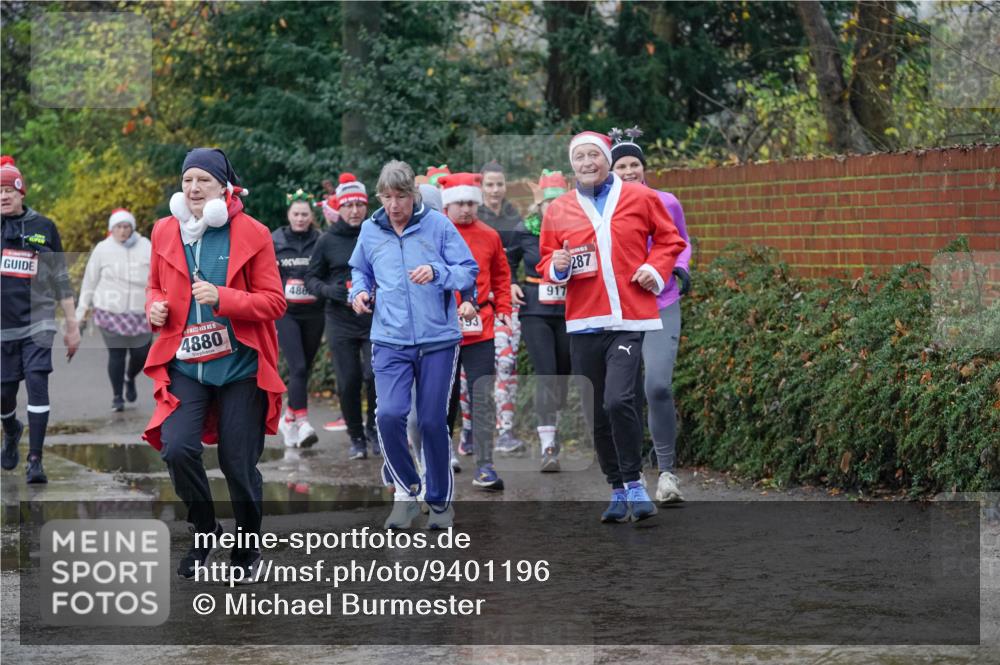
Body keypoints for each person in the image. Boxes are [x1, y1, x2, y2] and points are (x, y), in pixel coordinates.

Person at [142, 148, 286, 581]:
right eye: (188, 180)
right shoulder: (165, 230)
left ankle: (245, 547)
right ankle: (205, 530)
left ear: (224, 187)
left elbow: (274, 302)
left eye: (203, 180)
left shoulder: (253, 232)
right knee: (177, 448)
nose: (193, 188)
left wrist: (224, 298)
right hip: (186, 365)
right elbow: (153, 287)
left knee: (237, 464)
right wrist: (154, 308)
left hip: (241, 368)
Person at [537, 132, 686, 523]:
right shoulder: (559, 209)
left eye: (594, 156)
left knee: (619, 399)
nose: (587, 163)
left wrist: (655, 269)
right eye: (580, 157)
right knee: (596, 411)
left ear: (607, 159)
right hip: (584, 320)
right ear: (573, 164)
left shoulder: (641, 198)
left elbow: (670, 240)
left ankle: (635, 482)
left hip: (629, 317)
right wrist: (560, 266)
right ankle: (617, 488)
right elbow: (546, 261)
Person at [349, 160, 477, 530]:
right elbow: (360, 270)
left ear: (414, 195)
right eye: (387, 197)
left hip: (438, 339)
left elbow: (467, 269)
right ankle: (406, 492)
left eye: (401, 196)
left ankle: (439, 504)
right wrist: (359, 292)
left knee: (433, 421)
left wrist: (438, 273)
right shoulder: (371, 231)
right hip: (389, 339)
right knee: (388, 415)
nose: (394, 205)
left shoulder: (437, 225)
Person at [610, 126, 692, 504]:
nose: (628, 172)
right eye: (621, 166)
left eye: (634, 165)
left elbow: (681, 243)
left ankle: (668, 473)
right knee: (621, 396)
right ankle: (630, 477)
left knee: (656, 385)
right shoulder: (604, 209)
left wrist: (676, 270)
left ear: (644, 168)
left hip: (661, 302)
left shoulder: (666, 200)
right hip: (620, 308)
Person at [1, 156, 81, 483]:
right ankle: (11, 429)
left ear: (21, 192)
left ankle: (35, 460)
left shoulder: (43, 227)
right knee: (4, 394)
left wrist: (72, 324)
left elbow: (60, 276)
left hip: (39, 321)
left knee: (37, 382)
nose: (3, 196)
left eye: (8, 189)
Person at [439, 173, 512, 490]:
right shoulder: (434, 233)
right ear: (447, 205)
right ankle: (440, 459)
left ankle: (485, 466)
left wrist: (505, 310)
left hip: (480, 327)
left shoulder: (489, 235)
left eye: (471, 203)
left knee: (482, 396)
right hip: (441, 329)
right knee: (445, 398)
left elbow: (501, 276)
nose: (466, 209)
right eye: (459, 204)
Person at [305, 173, 378, 459]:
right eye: (348, 205)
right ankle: (356, 436)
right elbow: (311, 278)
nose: (355, 211)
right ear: (339, 208)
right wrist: (329, 291)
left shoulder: (375, 234)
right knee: (348, 381)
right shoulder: (327, 241)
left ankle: (374, 430)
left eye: (359, 205)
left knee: (374, 376)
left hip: (374, 317)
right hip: (340, 320)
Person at [508, 170, 572, 472]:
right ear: (540, 205)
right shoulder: (524, 230)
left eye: (559, 203)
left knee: (562, 375)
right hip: (535, 310)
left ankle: (554, 419)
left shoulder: (578, 230)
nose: (554, 209)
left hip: (571, 310)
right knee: (546, 373)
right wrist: (510, 282)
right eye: (549, 203)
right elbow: (505, 260)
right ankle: (548, 444)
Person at [76, 208, 153, 412]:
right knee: (117, 354)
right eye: (118, 227)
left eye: (126, 226)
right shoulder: (102, 249)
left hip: (141, 312)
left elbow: (159, 277)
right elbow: (89, 282)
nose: (122, 231)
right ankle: (117, 397)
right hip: (110, 310)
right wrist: (81, 312)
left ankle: (130, 377)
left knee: (142, 354)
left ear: (132, 228)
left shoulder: (147, 246)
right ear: (112, 229)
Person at [478, 160, 526, 454]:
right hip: (480, 304)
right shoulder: (473, 217)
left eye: (499, 184)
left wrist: (516, 281)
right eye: (489, 184)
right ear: (480, 187)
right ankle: (470, 430)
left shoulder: (515, 216)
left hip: (510, 300)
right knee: (475, 371)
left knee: (508, 364)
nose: (495, 190)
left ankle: (505, 430)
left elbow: (524, 255)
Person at [272, 189, 324, 448]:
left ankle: (289, 417)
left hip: (314, 312)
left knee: (305, 367)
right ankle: (302, 422)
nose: (301, 218)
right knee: (298, 367)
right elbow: (265, 273)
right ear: (288, 215)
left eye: (305, 214)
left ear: (311, 216)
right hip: (286, 313)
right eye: (296, 214)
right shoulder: (276, 240)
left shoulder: (320, 240)